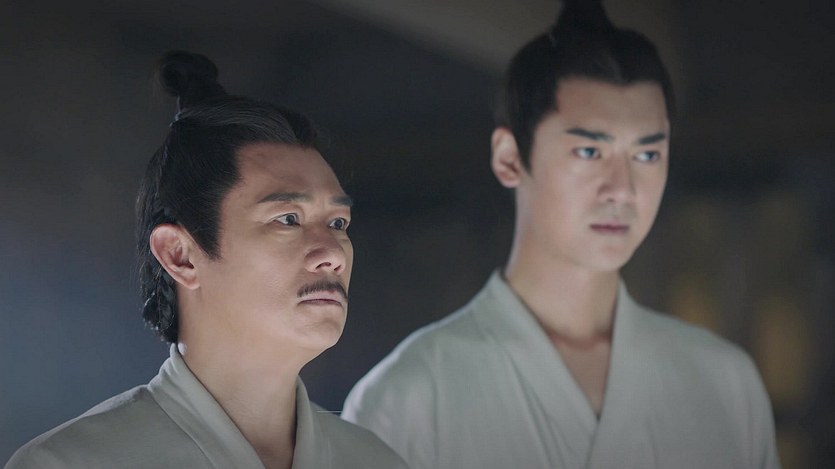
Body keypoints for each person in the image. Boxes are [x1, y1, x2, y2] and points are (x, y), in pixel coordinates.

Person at [342, 2, 781, 468]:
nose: (623, 189)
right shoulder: (408, 396)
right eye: (589, 151)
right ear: (510, 157)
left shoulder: (724, 383)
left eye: (647, 155)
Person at [6, 51, 407, 469]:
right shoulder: (70, 463)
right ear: (180, 255)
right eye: (288, 219)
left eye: (338, 222)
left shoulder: (376, 461)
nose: (333, 255)